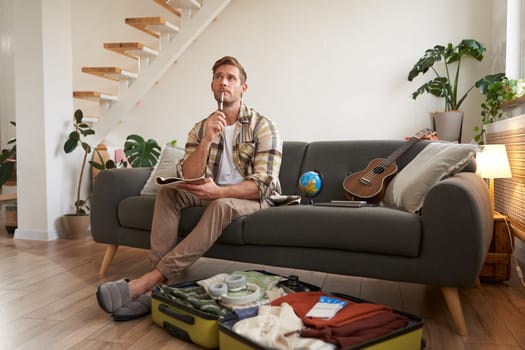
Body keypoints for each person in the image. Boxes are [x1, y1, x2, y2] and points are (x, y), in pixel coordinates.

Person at [96, 56, 283, 320]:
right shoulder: (201, 128)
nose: (223, 82)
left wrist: (219, 191)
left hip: (252, 197)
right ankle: (158, 289)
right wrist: (207, 140)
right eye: (218, 77)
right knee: (169, 192)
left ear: (243, 88)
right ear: (212, 85)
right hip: (212, 191)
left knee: (221, 204)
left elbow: (263, 184)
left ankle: (151, 281)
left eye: (231, 78)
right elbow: (190, 175)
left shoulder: (263, 126)